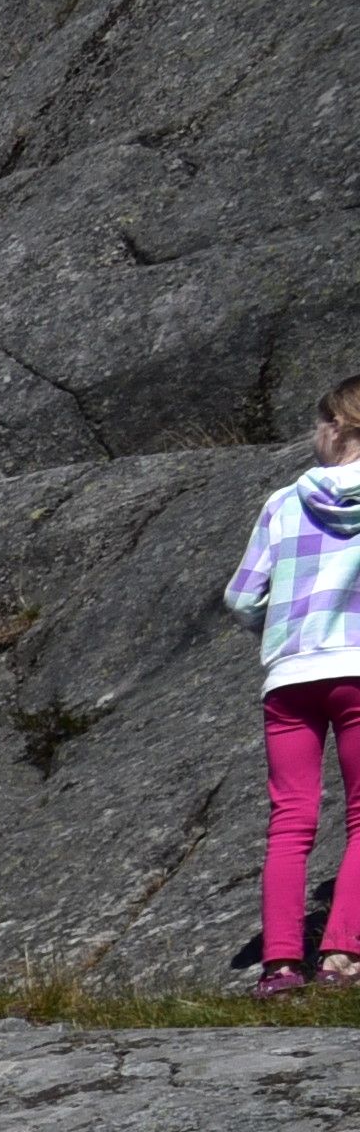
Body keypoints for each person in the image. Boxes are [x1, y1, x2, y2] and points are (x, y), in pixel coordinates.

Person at [226, 378, 360, 984]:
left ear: (336, 424)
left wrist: (282, 634)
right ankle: (342, 952)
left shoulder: (283, 503)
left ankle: (279, 963)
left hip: (290, 677)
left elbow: (240, 596)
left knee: (291, 818)